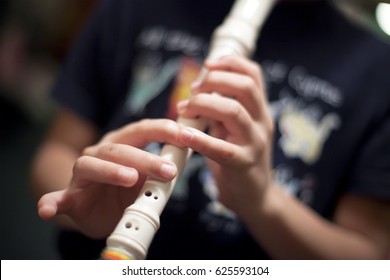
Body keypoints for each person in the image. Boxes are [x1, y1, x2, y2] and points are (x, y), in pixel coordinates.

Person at [30, 0, 390, 259]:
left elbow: (370, 256)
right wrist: (85, 204)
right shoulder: (134, 7)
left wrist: (263, 202)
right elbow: (56, 151)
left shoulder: (378, 70)